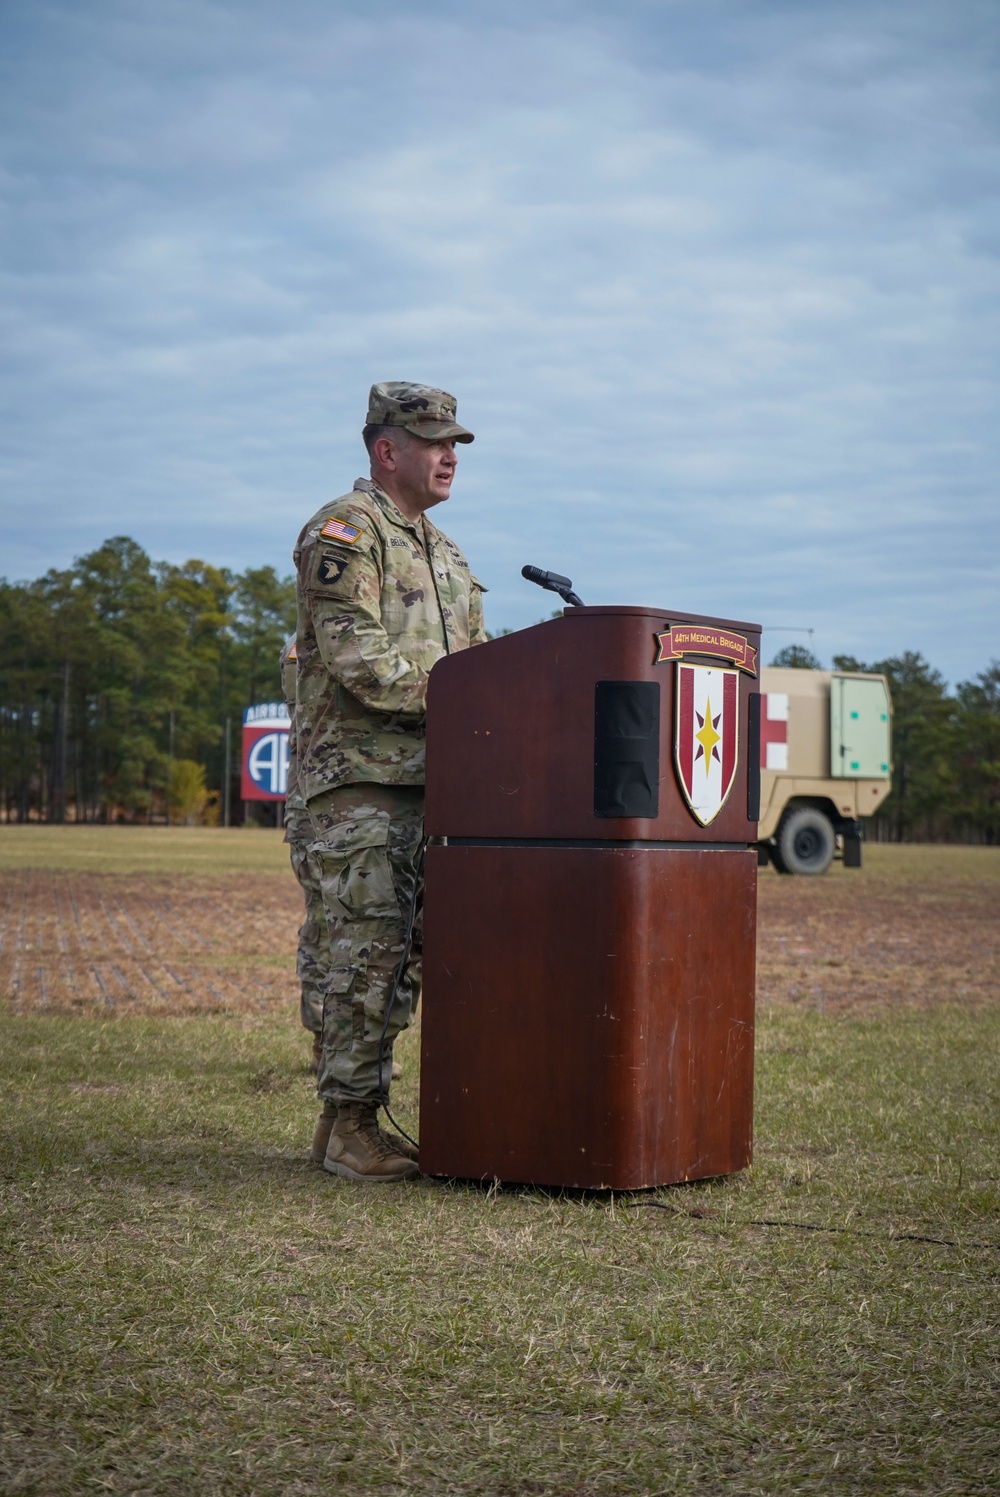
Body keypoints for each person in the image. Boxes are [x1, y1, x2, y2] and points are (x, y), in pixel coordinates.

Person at [294, 381, 487, 1182]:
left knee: (407, 957)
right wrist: (465, 695)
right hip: (359, 786)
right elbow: (356, 657)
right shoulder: (345, 530)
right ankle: (347, 1126)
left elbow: (485, 664)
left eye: (454, 443)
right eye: (435, 441)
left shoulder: (445, 552)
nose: (449, 455)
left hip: (433, 786)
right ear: (386, 449)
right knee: (362, 951)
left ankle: (374, 1123)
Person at [279, 632, 327, 1072]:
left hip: (353, 806)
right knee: (326, 927)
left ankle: (356, 1044)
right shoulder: (307, 642)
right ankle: (325, 1040)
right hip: (313, 807)